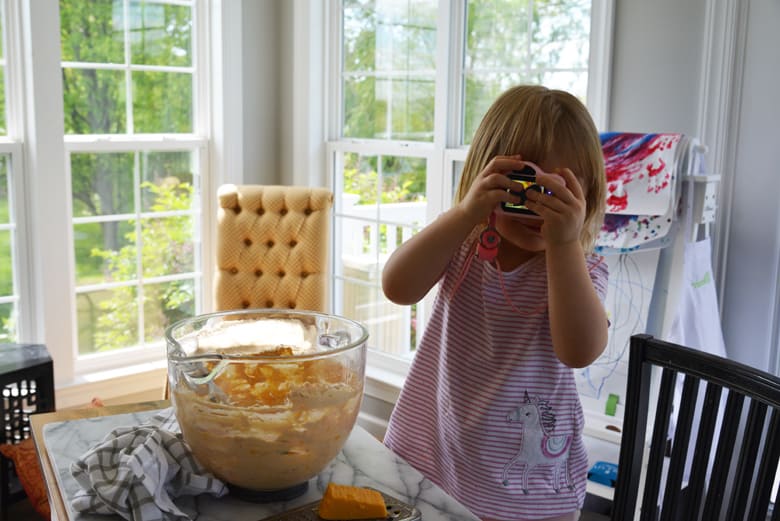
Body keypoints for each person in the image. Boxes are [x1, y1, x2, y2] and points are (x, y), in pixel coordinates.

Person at [382, 85, 609, 521]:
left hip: (527, 491)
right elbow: (398, 287)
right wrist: (466, 213)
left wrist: (563, 245)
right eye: (522, 185)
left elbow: (579, 350)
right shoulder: (461, 244)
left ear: (585, 196)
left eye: (556, 190)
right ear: (486, 178)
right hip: (433, 457)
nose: (536, 207)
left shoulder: (579, 270)